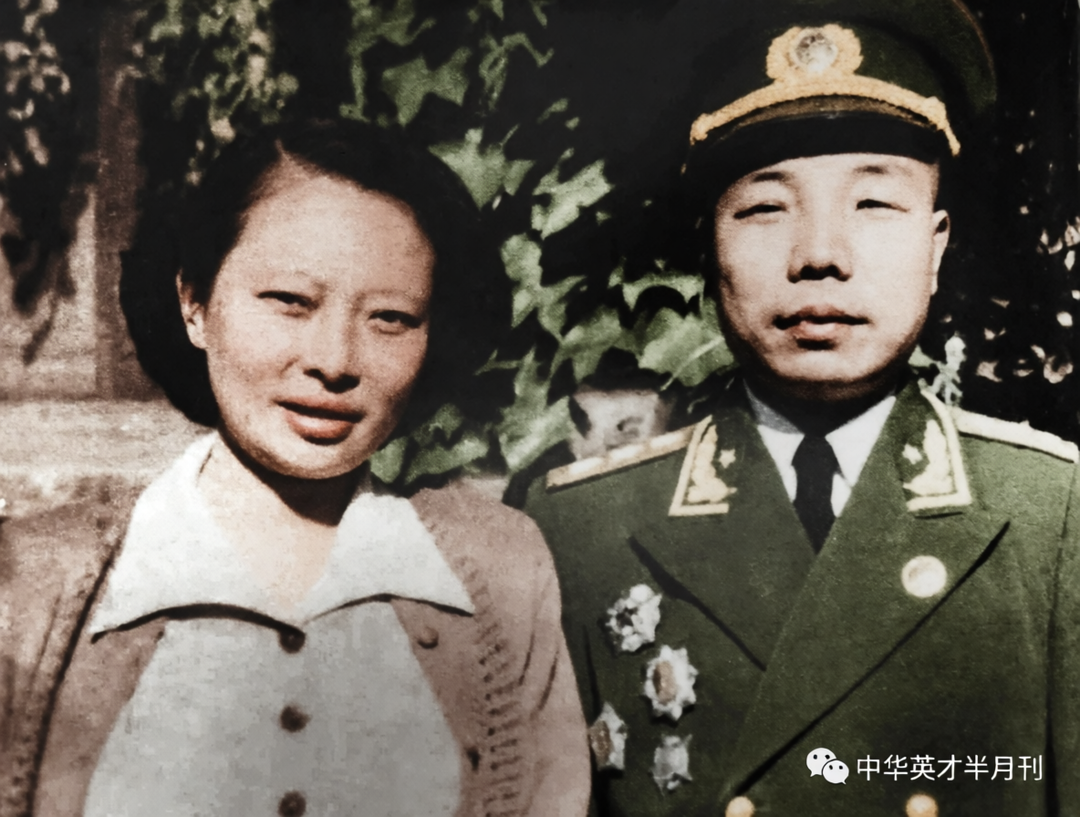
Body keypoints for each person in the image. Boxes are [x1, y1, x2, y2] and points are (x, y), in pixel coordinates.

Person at [526, 2, 1080, 815]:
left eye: (873, 204)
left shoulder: (1050, 516)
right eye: (765, 208)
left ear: (936, 246)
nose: (821, 254)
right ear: (711, 247)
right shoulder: (586, 527)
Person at [0, 119, 588, 816]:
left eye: (391, 318)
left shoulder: (500, 575)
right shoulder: (31, 583)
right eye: (290, 302)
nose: (334, 361)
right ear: (195, 303)